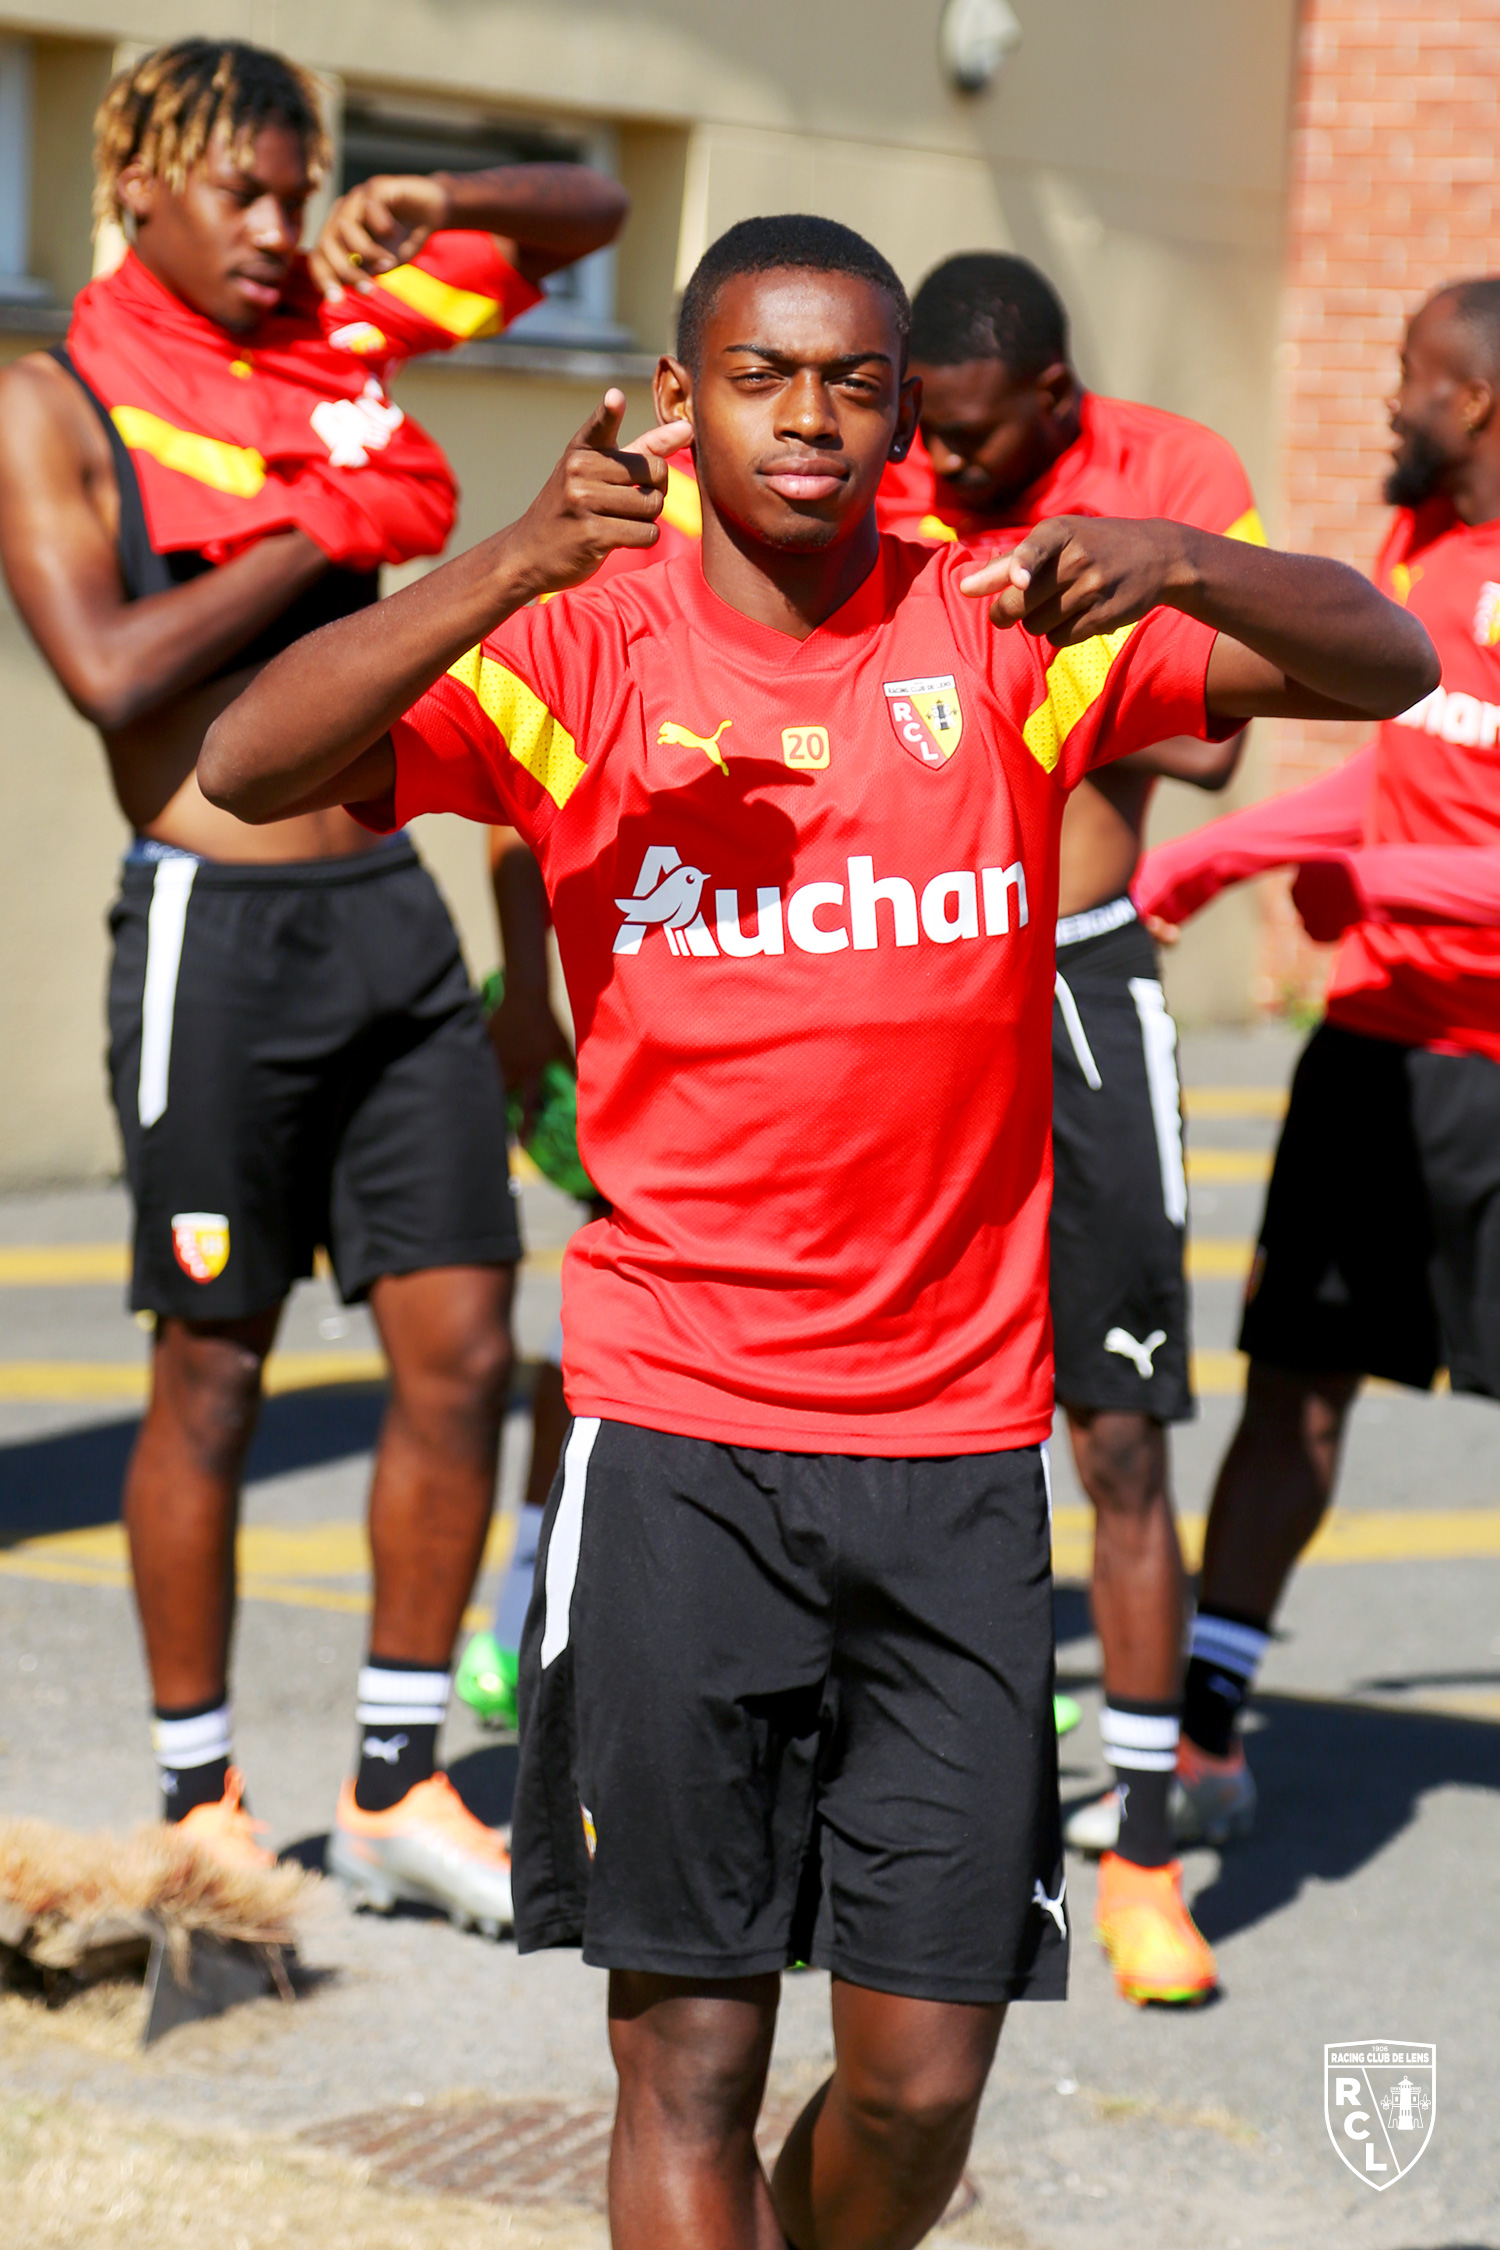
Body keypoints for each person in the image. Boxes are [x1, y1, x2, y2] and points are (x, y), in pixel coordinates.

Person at [199, 213, 1432, 2245]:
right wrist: (511, 556)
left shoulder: (1005, 626)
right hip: (680, 1438)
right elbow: (252, 759)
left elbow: (1386, 663)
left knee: (921, 2085)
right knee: (687, 2052)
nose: (810, 418)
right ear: (678, 399)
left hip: (952, 1456)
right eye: (763, 376)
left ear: (905, 419)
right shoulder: (578, 645)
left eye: (855, 384)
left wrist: (1192, 561)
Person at [0, 38, 625, 1923]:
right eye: (240, 195)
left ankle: (395, 1780)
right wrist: (318, 535)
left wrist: (447, 206)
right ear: (137, 189)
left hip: (390, 918)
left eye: (301, 191)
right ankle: (201, 1795)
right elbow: (106, 671)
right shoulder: (64, 391)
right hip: (215, 926)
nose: (280, 231)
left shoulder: (345, 328)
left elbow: (590, 212)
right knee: (211, 1372)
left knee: (458, 1345)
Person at [890, 252, 1266, 1983]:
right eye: (924, 438)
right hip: (903, 976)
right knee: (889, 1415)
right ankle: (904, 1799)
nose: (937, 470)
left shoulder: (1169, 472)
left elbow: (1205, 747)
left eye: (972, 443)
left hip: (1082, 975)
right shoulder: (881, 444)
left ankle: (1139, 1850)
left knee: (1116, 1434)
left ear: (1056, 404)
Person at [1133, 279, 1500, 1818]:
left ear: (1475, 401)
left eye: (1409, 374)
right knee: (1292, 1390)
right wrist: (1204, 862)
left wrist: (1384, 886)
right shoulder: (1416, 552)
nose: (1387, 397)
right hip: (1368, 1050)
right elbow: (1405, 797)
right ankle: (1208, 1715)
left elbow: (1417, 859)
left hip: (1490, 1069)